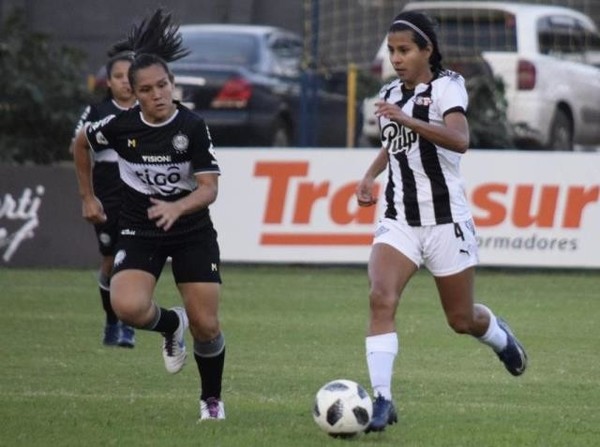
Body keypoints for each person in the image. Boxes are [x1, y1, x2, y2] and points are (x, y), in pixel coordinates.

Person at [355, 11, 528, 433]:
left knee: (461, 319)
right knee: (381, 297)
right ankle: (382, 399)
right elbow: (396, 144)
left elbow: (459, 139)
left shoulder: (449, 86)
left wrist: (407, 118)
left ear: (426, 51)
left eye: (404, 50)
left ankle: (500, 336)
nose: (396, 58)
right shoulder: (391, 92)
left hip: (446, 222)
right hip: (399, 219)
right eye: (392, 50)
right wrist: (369, 174)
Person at [72, 9, 226, 421]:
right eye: (147, 89)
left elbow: (209, 189)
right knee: (127, 307)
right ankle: (169, 327)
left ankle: (211, 400)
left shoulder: (192, 126)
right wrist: (88, 196)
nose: (158, 94)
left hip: (191, 229)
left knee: (207, 325)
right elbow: (80, 143)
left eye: (163, 85)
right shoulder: (118, 126)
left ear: (172, 85)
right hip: (140, 228)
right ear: (134, 94)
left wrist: (178, 205)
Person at [70, 47, 137, 348]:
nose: (125, 82)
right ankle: (112, 318)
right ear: (108, 82)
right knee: (110, 262)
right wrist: (88, 197)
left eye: (129, 76)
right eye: (118, 76)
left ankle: (129, 325)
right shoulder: (98, 114)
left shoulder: (150, 111)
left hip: (139, 199)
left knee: (133, 260)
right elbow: (77, 146)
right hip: (108, 198)